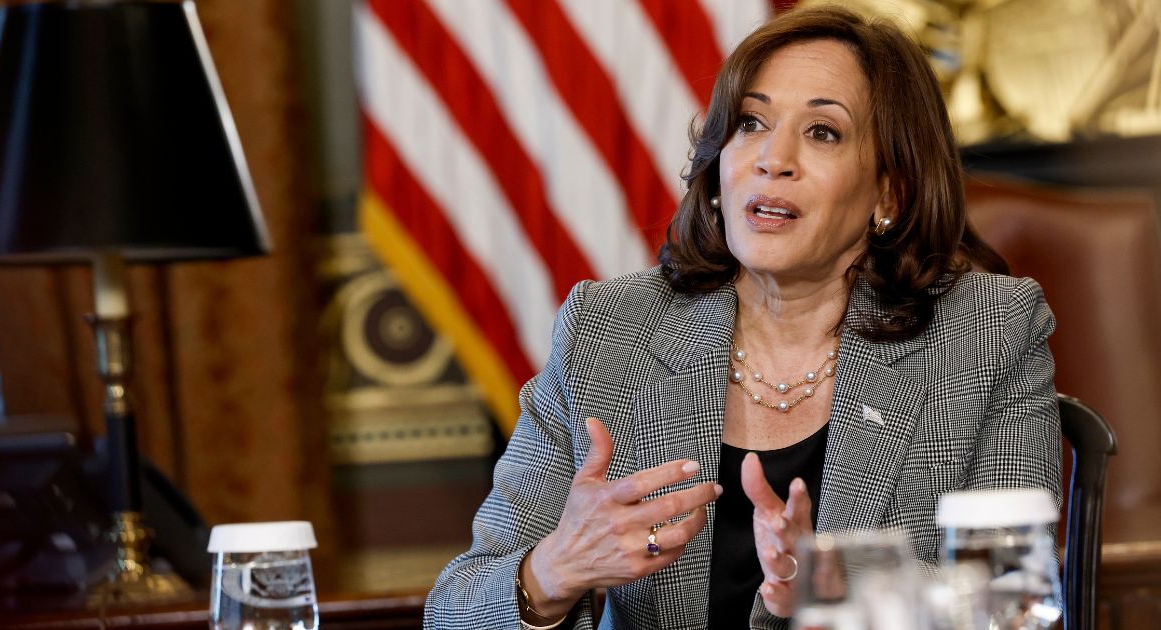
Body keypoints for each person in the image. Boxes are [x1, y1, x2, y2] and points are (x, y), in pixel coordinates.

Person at [424, 6, 1061, 630]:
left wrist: (846, 589)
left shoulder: (985, 336)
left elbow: (1013, 608)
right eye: (752, 122)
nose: (772, 157)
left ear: (887, 193)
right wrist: (556, 569)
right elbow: (453, 613)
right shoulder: (610, 330)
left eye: (823, 132)